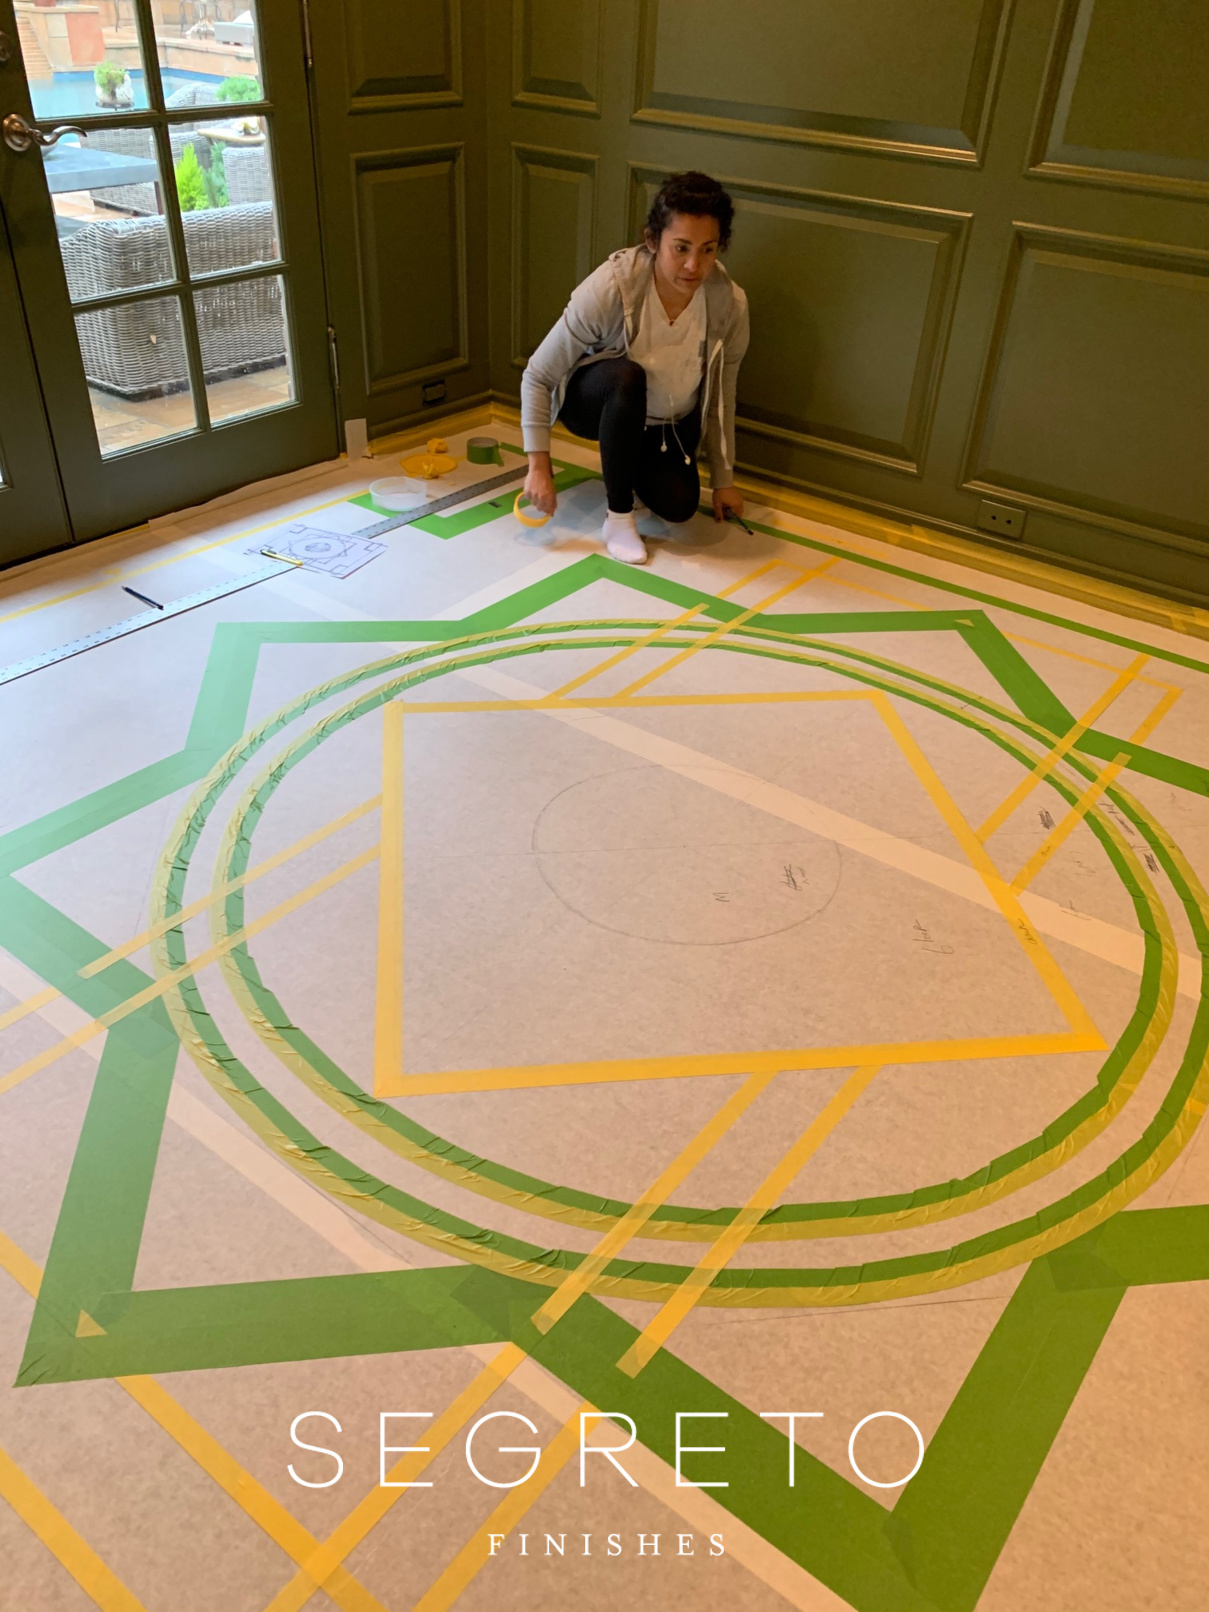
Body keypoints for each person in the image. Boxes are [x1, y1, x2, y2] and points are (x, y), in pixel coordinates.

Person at [519, 170, 750, 566]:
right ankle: (618, 516)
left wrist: (723, 481)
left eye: (708, 250)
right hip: (597, 401)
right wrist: (539, 465)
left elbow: (722, 397)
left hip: (665, 425)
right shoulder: (613, 286)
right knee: (628, 377)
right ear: (653, 241)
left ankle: (626, 463)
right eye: (681, 248)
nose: (693, 265)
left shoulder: (729, 304)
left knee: (679, 506)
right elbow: (539, 374)